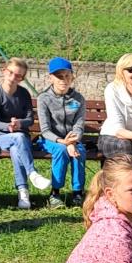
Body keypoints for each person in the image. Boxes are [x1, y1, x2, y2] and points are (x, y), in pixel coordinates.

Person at [0, 58, 51, 209]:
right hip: (1, 138)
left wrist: (19, 123)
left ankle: (23, 194)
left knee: (17, 149)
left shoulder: (24, 94)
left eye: (18, 76)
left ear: (22, 78)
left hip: (22, 139)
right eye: (11, 73)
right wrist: (9, 126)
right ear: (4, 71)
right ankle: (32, 173)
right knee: (18, 137)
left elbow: (30, 119)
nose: (13, 77)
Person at [37, 56, 88, 208]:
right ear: (51, 78)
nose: (63, 80)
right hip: (51, 140)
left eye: (67, 76)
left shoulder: (78, 99)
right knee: (60, 150)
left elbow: (79, 125)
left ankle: (77, 192)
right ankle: (55, 193)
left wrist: (72, 142)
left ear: (72, 77)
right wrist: (63, 142)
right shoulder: (43, 99)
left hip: (72, 139)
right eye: (59, 76)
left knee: (79, 151)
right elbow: (45, 130)